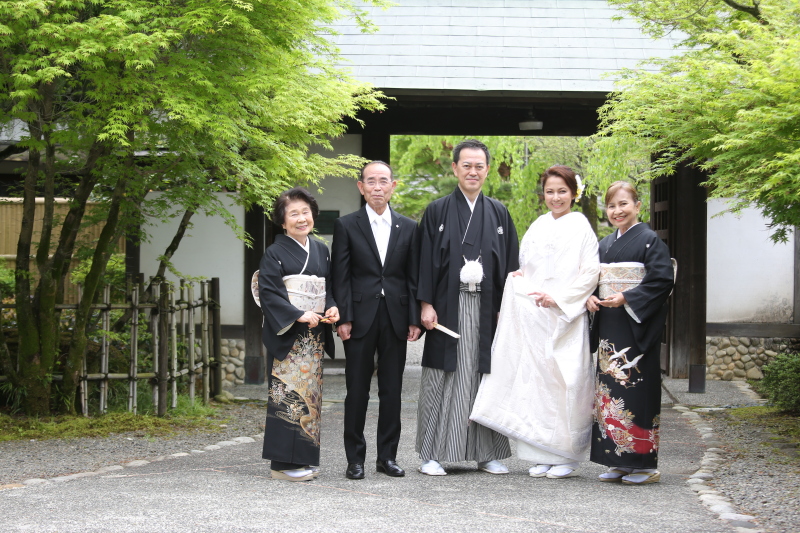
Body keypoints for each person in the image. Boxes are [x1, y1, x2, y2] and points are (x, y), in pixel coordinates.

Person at [470, 165, 599, 479]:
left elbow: (590, 272)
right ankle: (541, 453)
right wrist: (520, 276)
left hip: (566, 315)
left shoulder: (581, 225)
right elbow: (527, 263)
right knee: (537, 383)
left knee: (566, 381)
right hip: (536, 315)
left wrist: (561, 298)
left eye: (562, 191)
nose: (556, 198)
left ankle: (567, 455)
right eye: (550, 191)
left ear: (574, 193)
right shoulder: (539, 225)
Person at [415, 139, 519, 476]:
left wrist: (507, 308)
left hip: (488, 309)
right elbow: (424, 260)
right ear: (454, 168)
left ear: (487, 170)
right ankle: (431, 454)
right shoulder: (437, 210)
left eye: (479, 166)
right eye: (466, 165)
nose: (473, 171)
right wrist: (426, 304)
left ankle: (486, 453)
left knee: (484, 375)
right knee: (440, 377)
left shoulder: (499, 213)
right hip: (447, 306)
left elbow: (511, 266)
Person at [332, 161, 422, 480]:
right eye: (371, 181)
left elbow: (413, 277)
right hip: (358, 318)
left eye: (383, 181)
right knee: (357, 391)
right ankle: (354, 459)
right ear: (361, 187)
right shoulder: (347, 225)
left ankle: (387, 457)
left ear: (393, 186)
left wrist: (414, 318)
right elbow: (340, 276)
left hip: (396, 315)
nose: (377, 187)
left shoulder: (408, 227)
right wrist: (343, 318)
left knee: (392, 390)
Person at [586, 181, 674, 485]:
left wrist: (626, 297)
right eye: (611, 206)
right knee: (609, 393)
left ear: (638, 206)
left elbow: (662, 280)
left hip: (637, 327)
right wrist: (590, 297)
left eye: (623, 204)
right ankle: (617, 460)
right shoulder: (604, 244)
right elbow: (592, 280)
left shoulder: (650, 240)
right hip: (610, 326)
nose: (617, 211)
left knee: (637, 391)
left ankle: (645, 465)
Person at [258, 187, 339, 482]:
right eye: (294, 214)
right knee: (288, 397)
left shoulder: (320, 249)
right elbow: (268, 292)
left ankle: (304, 459)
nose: (302, 218)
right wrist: (296, 314)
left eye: (306, 212)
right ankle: (282, 465)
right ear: (282, 221)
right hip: (290, 335)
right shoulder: (274, 253)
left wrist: (331, 307)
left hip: (313, 337)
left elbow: (328, 286)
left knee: (311, 398)